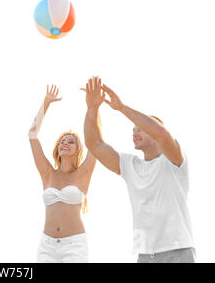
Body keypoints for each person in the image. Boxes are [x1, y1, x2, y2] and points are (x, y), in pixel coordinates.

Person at [83, 76, 195, 263]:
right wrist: (92, 108)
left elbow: (162, 134)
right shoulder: (130, 165)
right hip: (144, 255)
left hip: (178, 251)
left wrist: (122, 108)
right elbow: (94, 144)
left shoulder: (174, 161)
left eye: (140, 128)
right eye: (133, 129)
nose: (134, 132)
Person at [29, 85, 96, 263]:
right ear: (57, 149)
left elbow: (95, 141)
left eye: (71, 142)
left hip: (75, 245)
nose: (65, 144)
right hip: (46, 245)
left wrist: (92, 108)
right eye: (62, 142)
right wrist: (46, 103)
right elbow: (32, 135)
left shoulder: (83, 173)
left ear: (78, 149)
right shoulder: (48, 173)